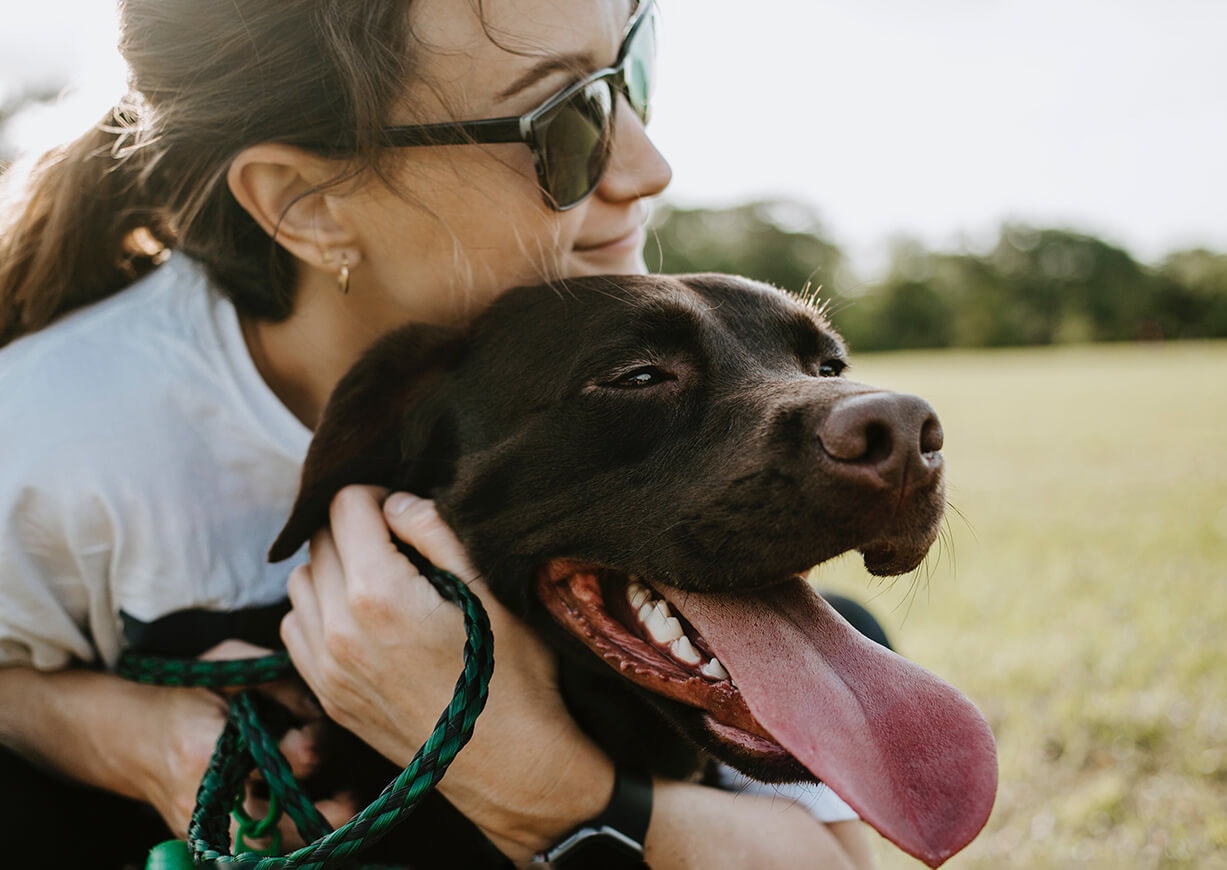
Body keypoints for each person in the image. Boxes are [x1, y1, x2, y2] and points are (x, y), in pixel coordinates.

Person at [0, 0, 876, 867]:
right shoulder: (51, 435)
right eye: (562, 120)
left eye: (630, 71)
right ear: (308, 203)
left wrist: (532, 775)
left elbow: (833, 863)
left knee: (847, 622)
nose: (649, 166)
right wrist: (134, 738)